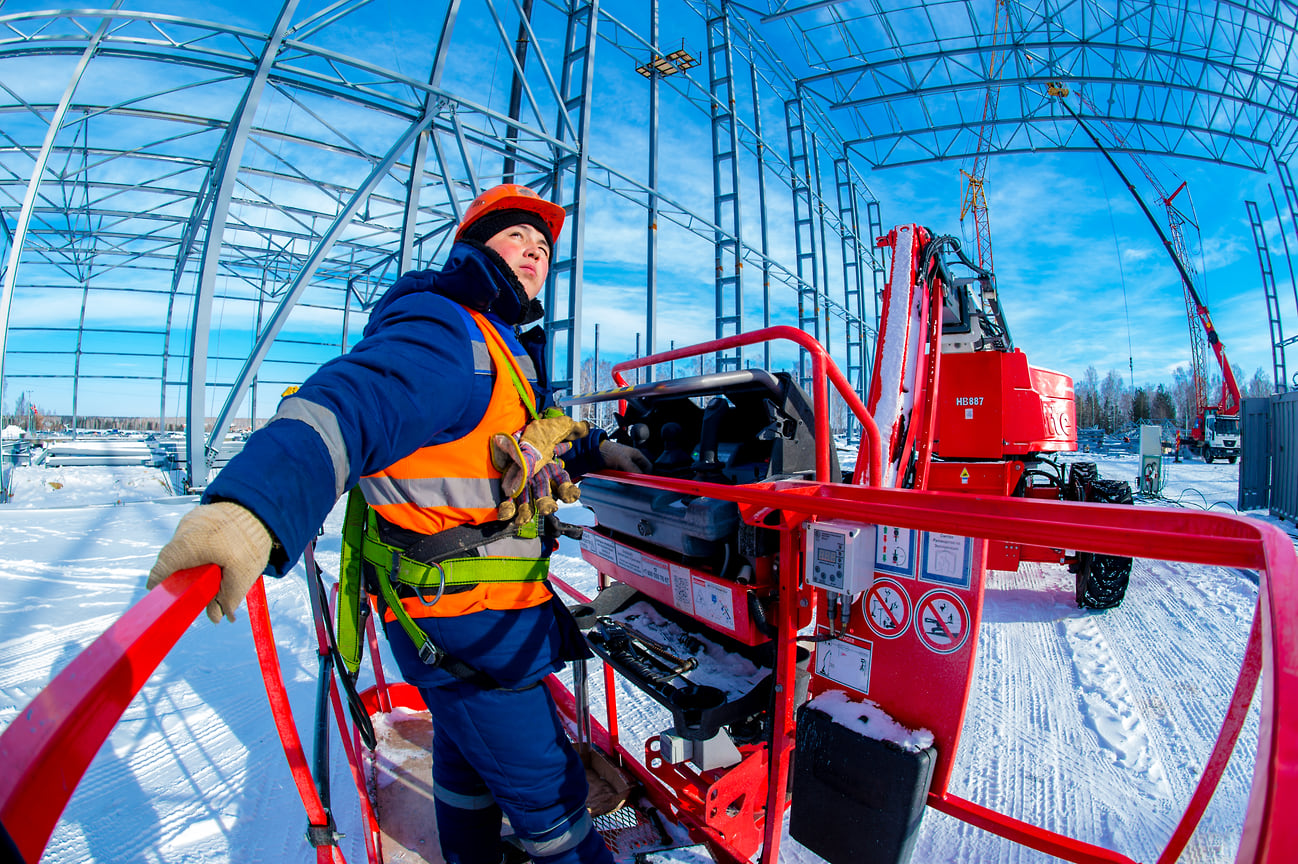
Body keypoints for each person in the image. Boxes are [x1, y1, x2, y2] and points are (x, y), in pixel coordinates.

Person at [148, 184, 651, 864]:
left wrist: (590, 448)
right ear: (475, 248)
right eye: (516, 239)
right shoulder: (449, 332)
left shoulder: (498, 344)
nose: (533, 253)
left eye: (542, 248)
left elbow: (501, 437)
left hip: (449, 613)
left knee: (467, 763)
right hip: (473, 626)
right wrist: (254, 507)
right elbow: (351, 404)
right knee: (553, 808)